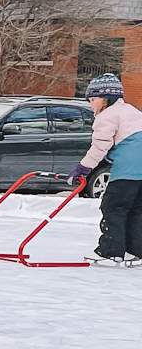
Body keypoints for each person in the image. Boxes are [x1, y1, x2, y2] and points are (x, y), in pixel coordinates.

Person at [67, 71, 142, 266]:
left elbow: (100, 146)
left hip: (129, 166)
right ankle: (134, 252)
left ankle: (110, 251)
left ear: (105, 98)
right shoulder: (132, 111)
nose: (91, 104)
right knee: (135, 209)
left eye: (93, 99)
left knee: (113, 206)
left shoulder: (107, 115)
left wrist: (83, 168)